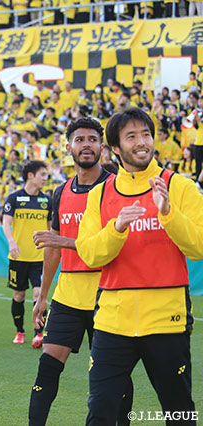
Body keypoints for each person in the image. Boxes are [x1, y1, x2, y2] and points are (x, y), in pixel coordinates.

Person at [75, 107, 203, 425]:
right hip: (112, 325)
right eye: (131, 136)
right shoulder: (99, 195)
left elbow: (199, 247)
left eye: (146, 134)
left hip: (167, 322)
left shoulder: (180, 186)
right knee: (101, 412)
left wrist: (168, 214)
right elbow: (89, 254)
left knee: (179, 412)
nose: (141, 142)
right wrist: (116, 228)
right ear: (115, 148)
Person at [28, 118, 133, 425]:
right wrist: (43, 296)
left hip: (108, 294)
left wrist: (66, 242)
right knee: (47, 368)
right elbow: (52, 248)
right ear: (68, 147)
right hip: (68, 296)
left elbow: (117, 242)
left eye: (92, 139)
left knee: (113, 376)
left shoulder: (118, 188)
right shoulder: (60, 192)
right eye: (79, 139)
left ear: (102, 147)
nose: (86, 145)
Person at [1, 160, 51, 347]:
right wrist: (11, 242)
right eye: (42, 174)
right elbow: (6, 222)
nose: (45, 178)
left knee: (39, 294)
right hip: (18, 258)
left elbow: (51, 228)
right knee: (19, 296)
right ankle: (20, 331)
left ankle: (39, 333)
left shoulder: (47, 201)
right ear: (31, 175)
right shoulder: (14, 198)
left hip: (39, 258)